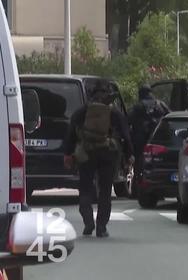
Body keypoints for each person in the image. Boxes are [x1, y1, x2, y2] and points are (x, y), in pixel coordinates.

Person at [63, 80, 133, 238]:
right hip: (108, 154)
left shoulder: (82, 112)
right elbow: (126, 135)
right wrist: (129, 155)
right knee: (105, 190)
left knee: (85, 187)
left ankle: (88, 221)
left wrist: (68, 154)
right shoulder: (114, 113)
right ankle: (101, 227)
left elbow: (71, 134)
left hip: (86, 154)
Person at [128, 84, 170, 189]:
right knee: (158, 162)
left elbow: (128, 120)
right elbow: (170, 117)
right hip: (158, 140)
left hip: (141, 140)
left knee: (139, 163)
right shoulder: (161, 104)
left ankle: (138, 187)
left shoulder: (138, 106)